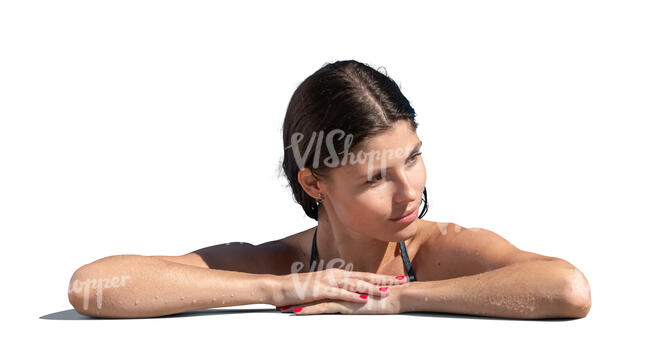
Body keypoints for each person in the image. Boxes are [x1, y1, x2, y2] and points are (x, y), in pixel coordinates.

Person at [68, 60, 591, 319]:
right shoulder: (282, 263)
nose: (408, 192)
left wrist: (394, 300)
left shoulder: (442, 250)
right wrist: (280, 289)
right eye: (375, 178)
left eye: (412, 158)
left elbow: (567, 289)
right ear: (314, 182)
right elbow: (91, 287)